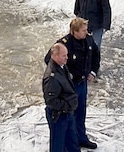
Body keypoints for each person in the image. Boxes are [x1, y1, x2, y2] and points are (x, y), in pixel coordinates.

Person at [45, 18, 101, 150]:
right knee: (68, 115)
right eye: (83, 30)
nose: (86, 32)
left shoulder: (88, 39)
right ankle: (68, 144)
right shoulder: (64, 44)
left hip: (82, 84)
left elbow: (96, 55)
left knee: (81, 112)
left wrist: (92, 72)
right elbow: (49, 59)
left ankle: (81, 138)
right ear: (75, 31)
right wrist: (63, 76)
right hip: (70, 85)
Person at [42, 42, 79, 152]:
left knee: (72, 142)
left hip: (67, 113)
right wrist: (67, 106)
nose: (67, 58)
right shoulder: (52, 77)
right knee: (58, 146)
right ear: (55, 56)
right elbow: (51, 101)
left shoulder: (61, 66)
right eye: (64, 56)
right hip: (58, 116)